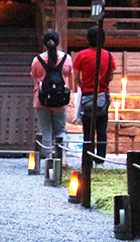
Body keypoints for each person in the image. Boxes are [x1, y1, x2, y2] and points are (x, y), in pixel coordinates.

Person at [71, 25, 115, 162]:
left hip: (87, 95)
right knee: (102, 130)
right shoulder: (108, 55)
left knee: (88, 131)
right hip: (102, 94)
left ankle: (87, 159)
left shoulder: (82, 55)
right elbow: (111, 75)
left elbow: (76, 76)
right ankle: (100, 160)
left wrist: (82, 86)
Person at [31, 29, 73, 158]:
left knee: (46, 130)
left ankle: (48, 157)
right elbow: (69, 81)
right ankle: (62, 157)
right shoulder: (67, 59)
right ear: (58, 42)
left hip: (42, 99)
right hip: (60, 99)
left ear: (44, 43)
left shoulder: (37, 60)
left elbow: (35, 81)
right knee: (60, 130)